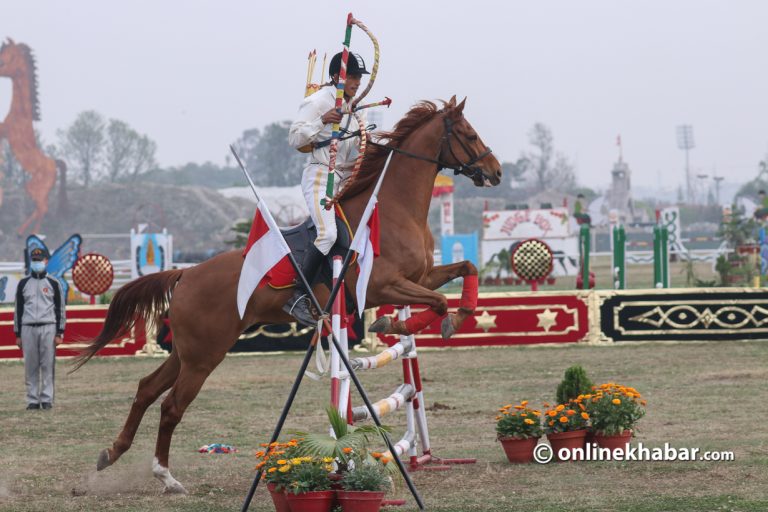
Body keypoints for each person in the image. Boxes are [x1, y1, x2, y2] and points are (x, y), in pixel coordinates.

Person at [285, 51, 369, 326]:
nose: (357, 82)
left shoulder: (358, 107)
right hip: (320, 176)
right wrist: (323, 120)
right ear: (337, 77)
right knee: (328, 233)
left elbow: (361, 147)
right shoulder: (318, 101)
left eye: (359, 77)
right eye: (353, 77)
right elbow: (295, 139)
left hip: (346, 179)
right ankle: (297, 294)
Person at [13, 247, 65, 410]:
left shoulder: (53, 283)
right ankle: (32, 400)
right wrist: (18, 334)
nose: (37, 263)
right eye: (34, 261)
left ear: (46, 261)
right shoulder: (23, 283)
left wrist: (59, 332)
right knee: (31, 365)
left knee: (47, 364)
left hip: (48, 327)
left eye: (40, 260)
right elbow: (18, 310)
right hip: (28, 328)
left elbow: (60, 309)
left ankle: (47, 398)